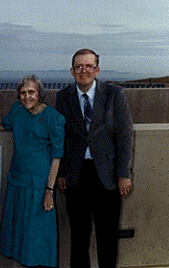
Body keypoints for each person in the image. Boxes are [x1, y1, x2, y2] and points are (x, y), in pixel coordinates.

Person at [0, 75, 65, 267]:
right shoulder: (17, 110)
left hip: (38, 183)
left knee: (36, 230)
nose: (26, 97)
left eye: (31, 92)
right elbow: (3, 124)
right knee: (18, 228)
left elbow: (57, 157)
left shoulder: (53, 118)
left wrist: (49, 191)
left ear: (39, 93)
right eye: (22, 93)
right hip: (17, 178)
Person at [55, 48, 133, 267]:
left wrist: (123, 174)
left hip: (107, 176)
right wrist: (61, 173)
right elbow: (60, 138)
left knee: (107, 237)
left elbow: (125, 136)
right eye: (79, 67)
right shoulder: (63, 97)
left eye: (89, 66)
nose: (84, 71)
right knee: (79, 239)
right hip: (76, 176)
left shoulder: (114, 94)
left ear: (97, 70)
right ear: (72, 71)